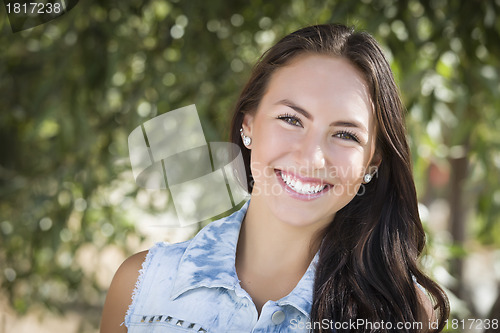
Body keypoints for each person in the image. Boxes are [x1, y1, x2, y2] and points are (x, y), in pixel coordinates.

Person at [100, 23, 449, 332]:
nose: (312, 157)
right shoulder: (141, 285)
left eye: (345, 135)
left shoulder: (401, 314)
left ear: (372, 163)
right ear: (248, 123)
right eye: (291, 119)